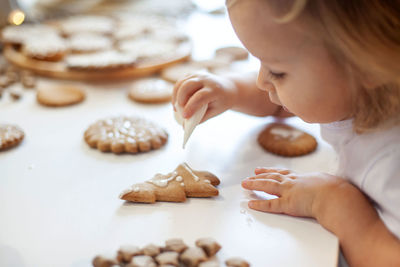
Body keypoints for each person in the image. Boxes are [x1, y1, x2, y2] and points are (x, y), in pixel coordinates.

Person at [172, 0, 400, 266]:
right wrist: (230, 89)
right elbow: (288, 100)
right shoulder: (361, 89)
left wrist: (336, 204)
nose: (261, 81)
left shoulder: (392, 164)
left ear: (366, 63)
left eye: (277, 72)